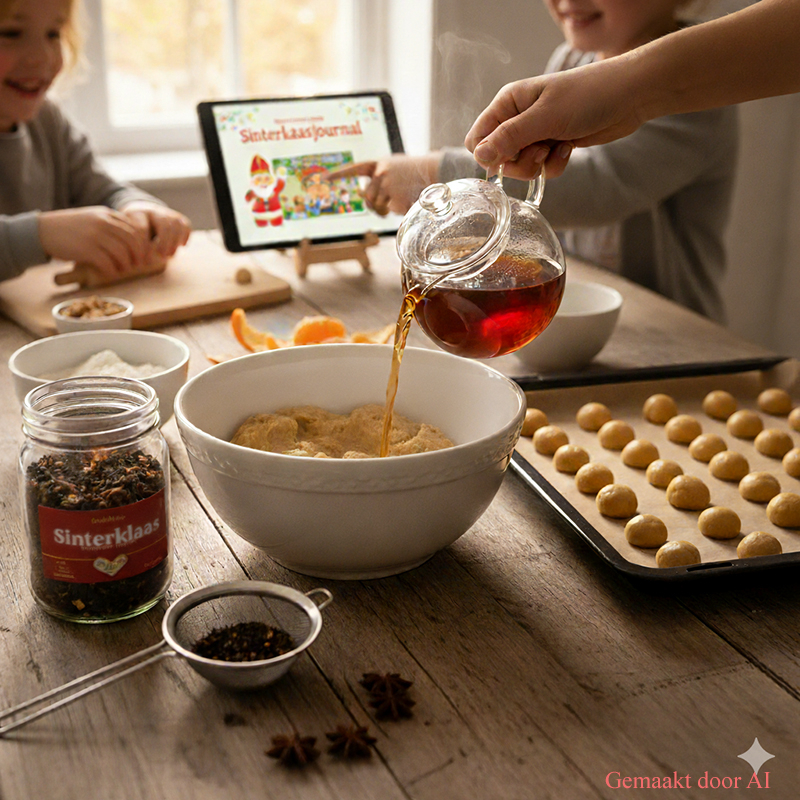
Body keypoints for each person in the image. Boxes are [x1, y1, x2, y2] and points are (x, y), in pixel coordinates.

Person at [342, 0, 739, 321]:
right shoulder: (571, 61)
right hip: (570, 309)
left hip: (672, 331)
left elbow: (597, 189)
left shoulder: (693, 85)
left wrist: (436, 176)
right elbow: (531, 178)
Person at [466, 0, 800, 180]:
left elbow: (597, 186)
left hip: (668, 308)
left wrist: (444, 178)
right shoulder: (568, 60)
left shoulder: (703, 94)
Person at [0, 0, 192, 285]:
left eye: (53, 34)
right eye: (11, 33)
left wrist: (137, 209)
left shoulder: (48, 121)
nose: (41, 57)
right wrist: (40, 235)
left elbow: (103, 191)